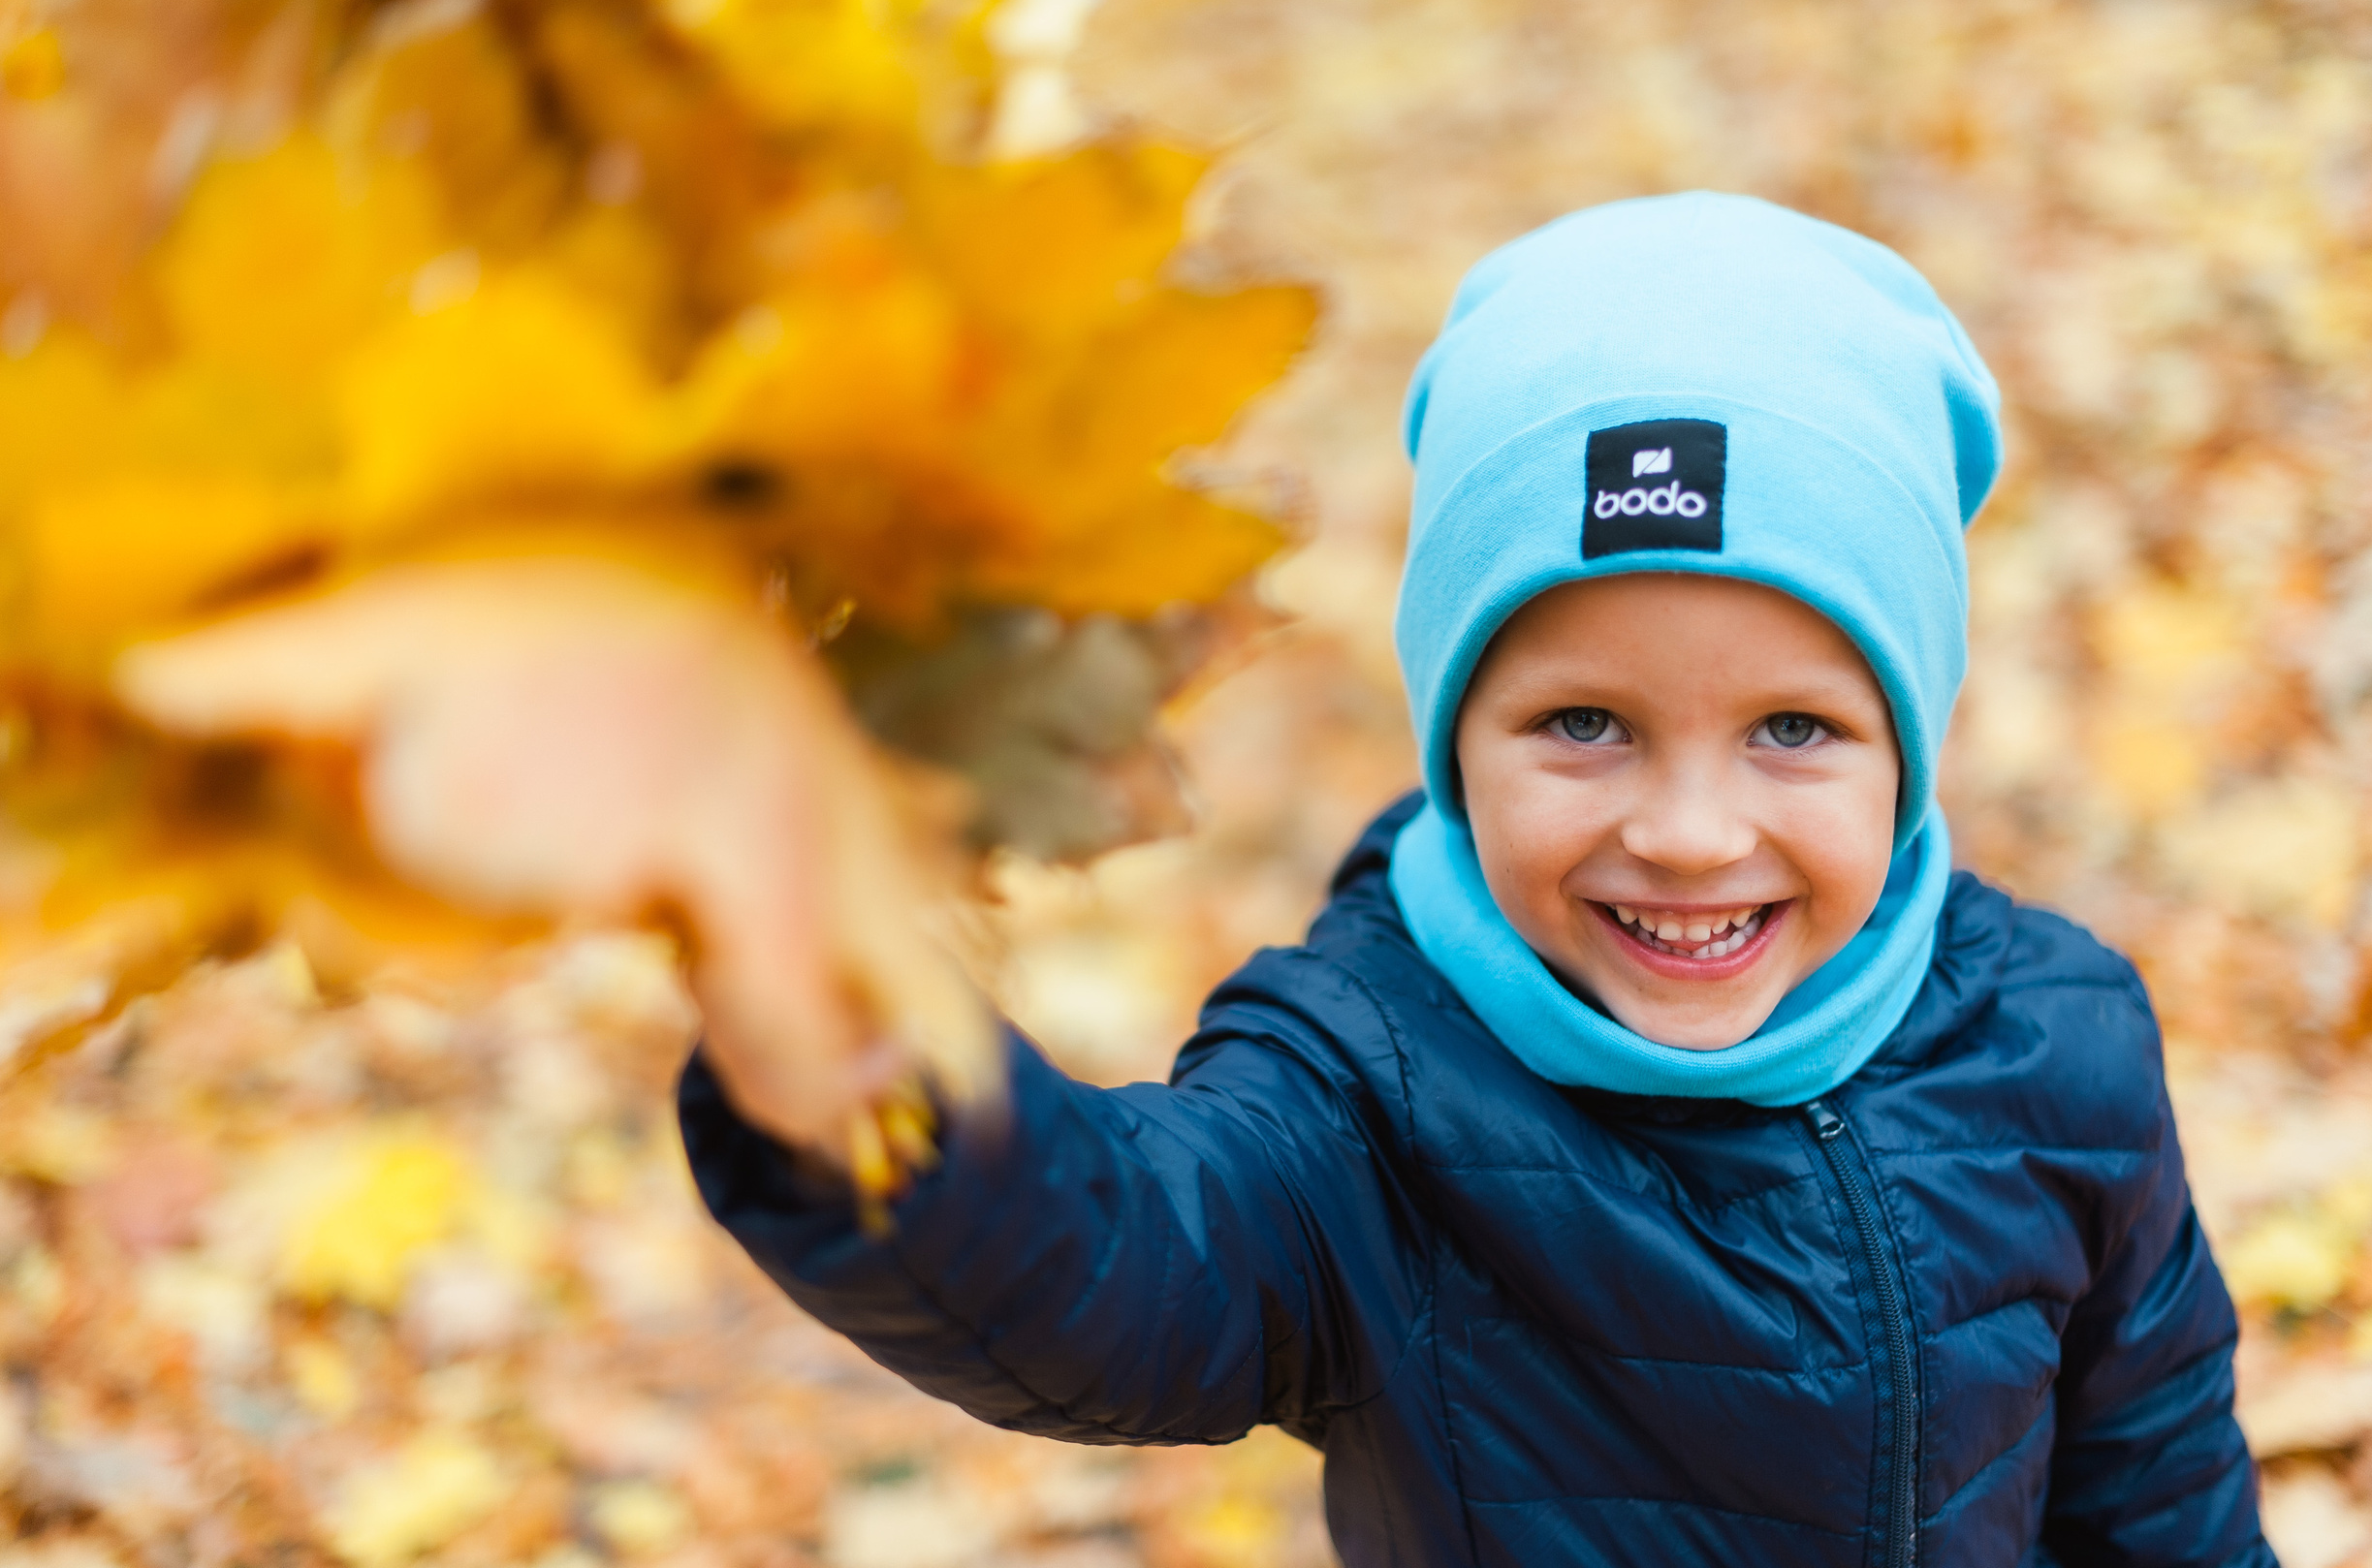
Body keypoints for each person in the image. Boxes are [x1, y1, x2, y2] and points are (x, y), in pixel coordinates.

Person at [680, 194, 2272, 1566]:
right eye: (1585, 724)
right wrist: (856, 1066)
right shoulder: (1366, 1090)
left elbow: (2162, 1500)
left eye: (1794, 729)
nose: (1693, 833)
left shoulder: (2057, 1051)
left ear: (1908, 744)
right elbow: (1115, 1269)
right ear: (1455, 739)